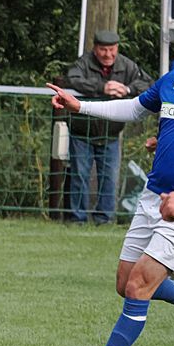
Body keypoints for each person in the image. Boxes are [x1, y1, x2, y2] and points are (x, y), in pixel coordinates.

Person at [49, 15, 174, 346]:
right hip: (153, 197)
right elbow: (133, 109)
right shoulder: (173, 81)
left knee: (138, 286)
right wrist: (80, 105)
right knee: (125, 282)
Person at [63, 30, 151, 225]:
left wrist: (127, 89)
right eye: (103, 50)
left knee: (109, 179)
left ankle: (105, 219)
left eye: (112, 50)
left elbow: (147, 83)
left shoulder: (127, 65)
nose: (108, 54)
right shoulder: (82, 63)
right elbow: (72, 79)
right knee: (80, 176)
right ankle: (77, 219)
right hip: (81, 131)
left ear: (117, 48)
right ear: (95, 49)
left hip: (111, 133)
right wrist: (102, 88)